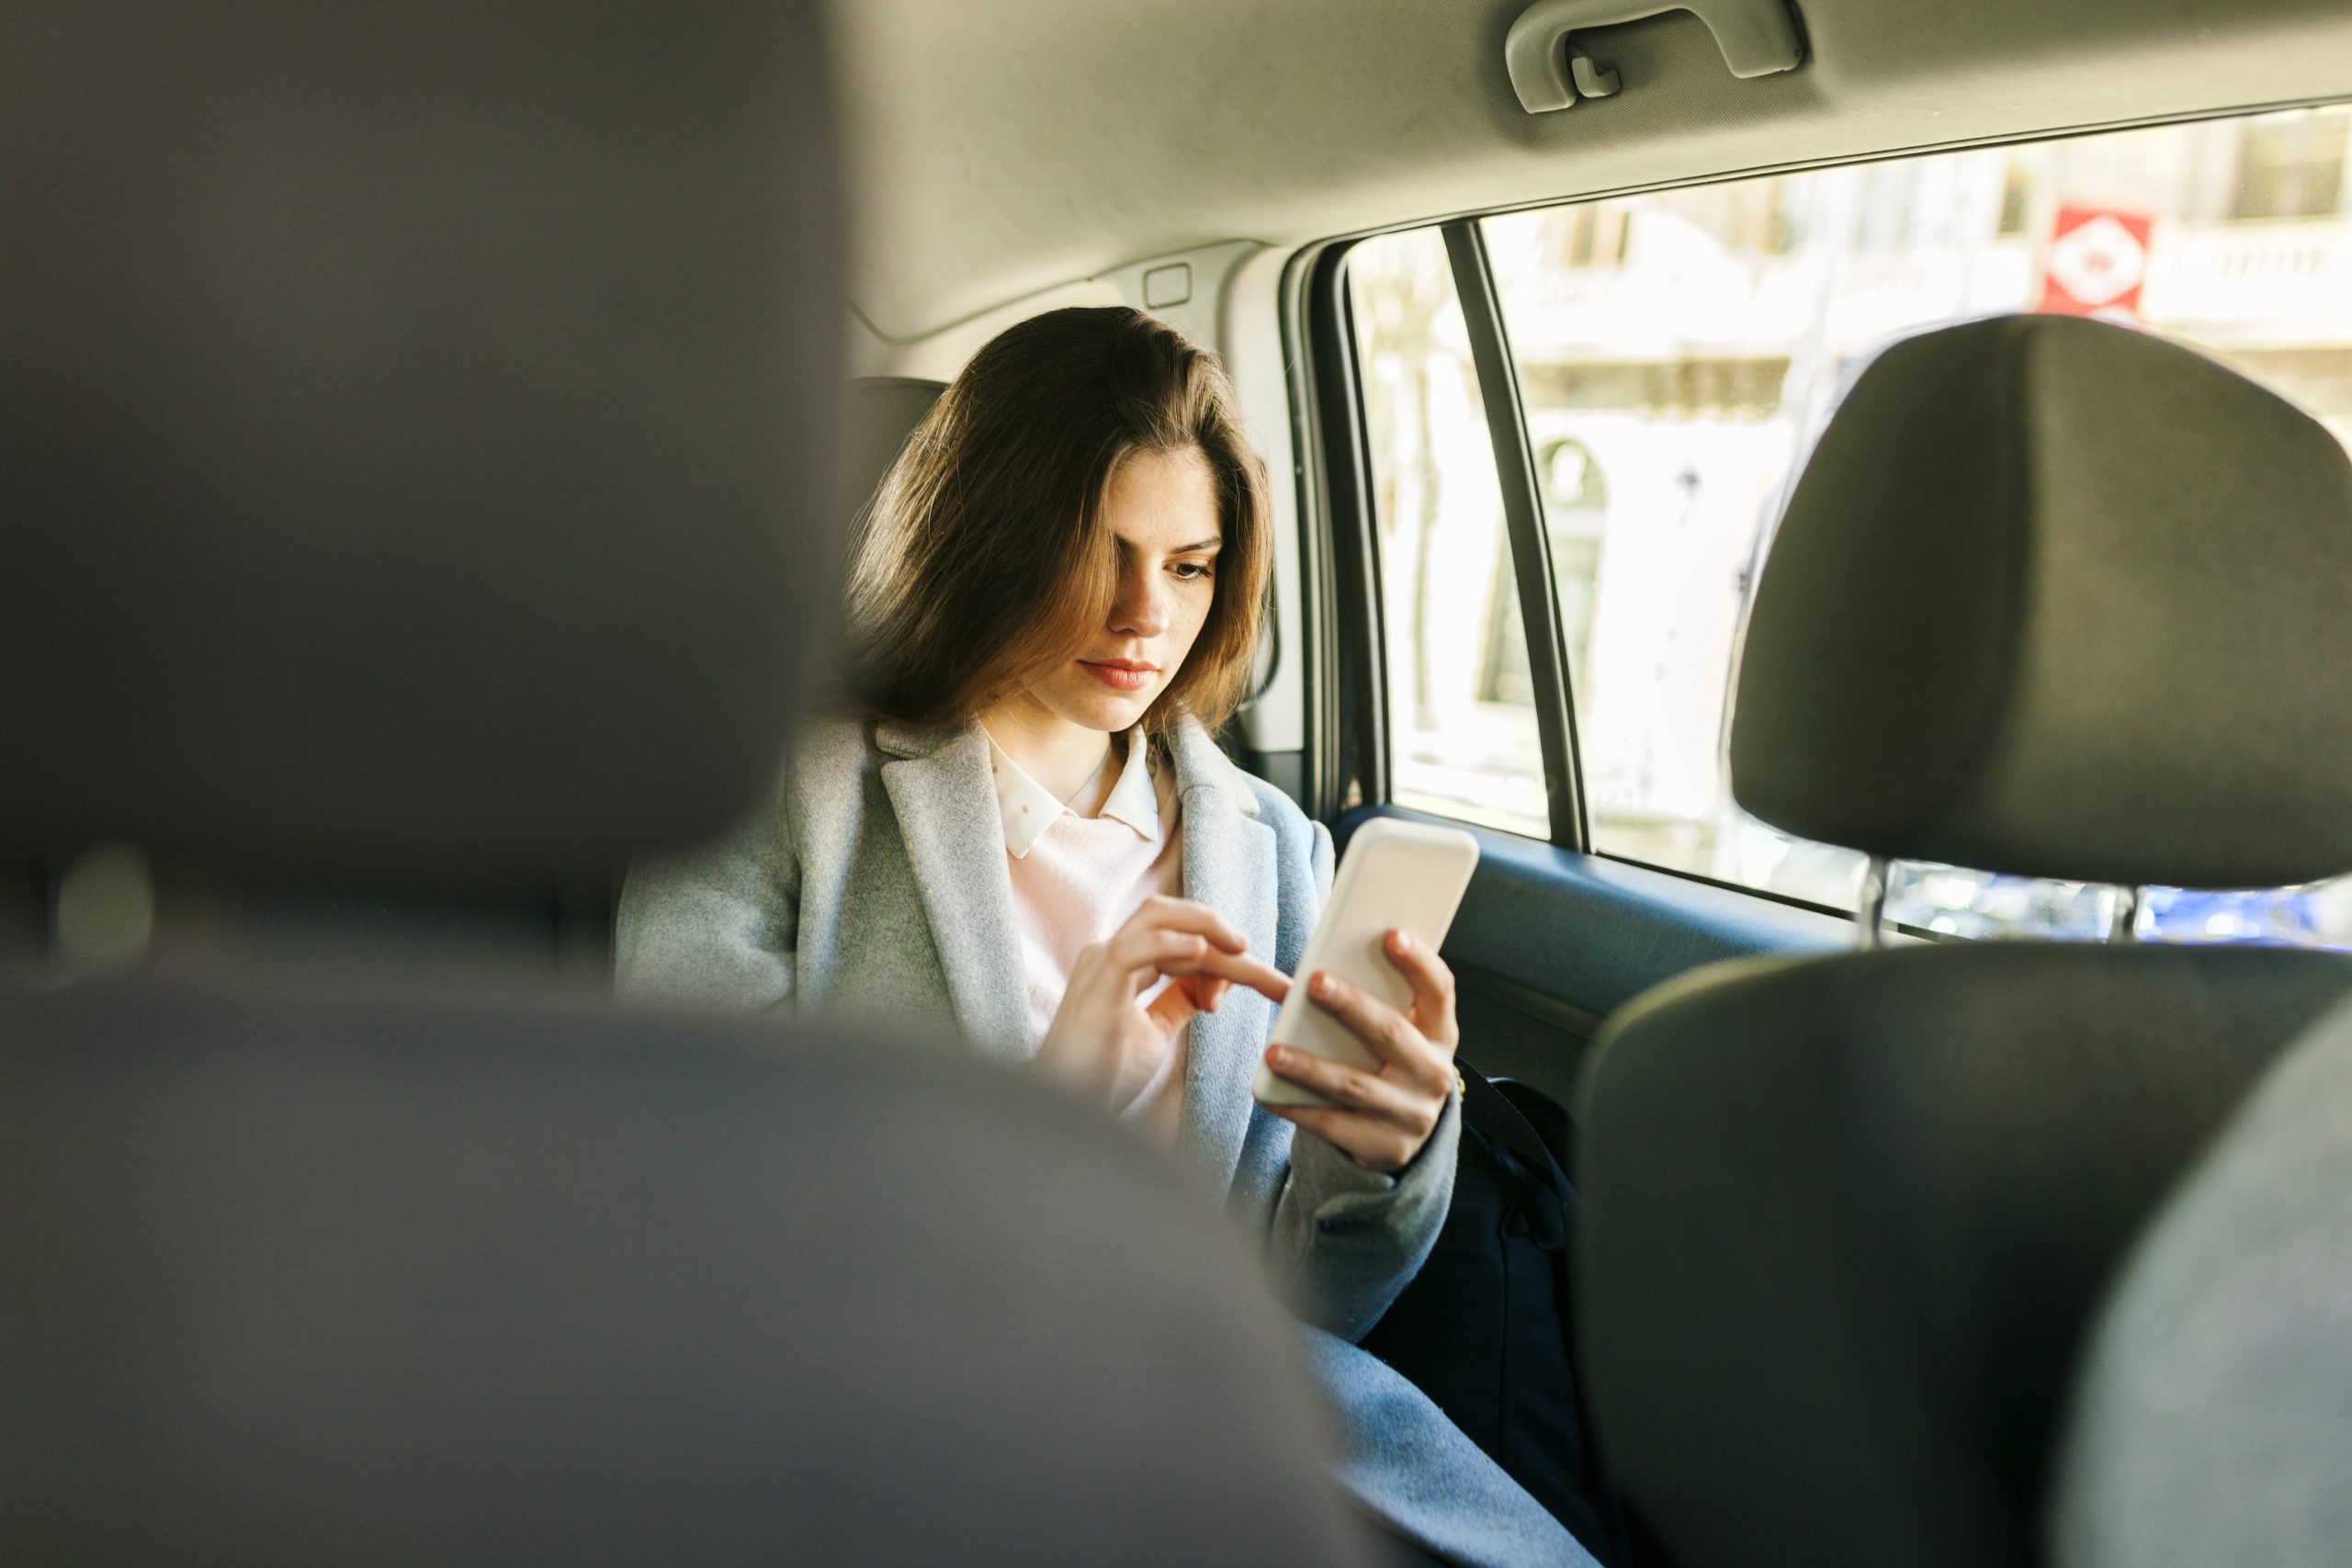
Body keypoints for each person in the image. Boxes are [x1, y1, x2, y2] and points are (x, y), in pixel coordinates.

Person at [618, 306, 1597, 1568]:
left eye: (1190, 565)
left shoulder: (1279, 850)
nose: (1146, 615)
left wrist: (1382, 1170)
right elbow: (674, 1219)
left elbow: (1305, 1314)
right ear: (982, 540)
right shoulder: (772, 804)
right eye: (1100, 551)